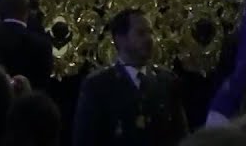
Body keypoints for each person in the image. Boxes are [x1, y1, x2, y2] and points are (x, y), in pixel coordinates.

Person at [72, 8, 188, 146]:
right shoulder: (98, 85)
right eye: (141, 33)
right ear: (120, 39)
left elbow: (182, 136)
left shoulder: (167, 81)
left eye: (150, 32)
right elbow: (85, 140)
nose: (149, 39)